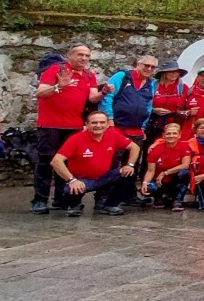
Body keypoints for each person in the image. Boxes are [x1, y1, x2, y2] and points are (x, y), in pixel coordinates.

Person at [32, 44, 106, 214]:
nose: (84, 58)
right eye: (80, 55)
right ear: (69, 56)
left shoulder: (89, 74)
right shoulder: (56, 70)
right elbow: (40, 92)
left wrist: (103, 92)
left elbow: (92, 98)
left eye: (87, 56)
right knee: (45, 162)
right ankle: (40, 200)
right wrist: (59, 86)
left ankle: (61, 198)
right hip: (50, 125)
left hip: (73, 126)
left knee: (67, 163)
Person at [50, 110, 140, 217]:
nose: (98, 125)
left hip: (105, 176)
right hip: (82, 180)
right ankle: (75, 205)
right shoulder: (76, 139)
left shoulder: (112, 133)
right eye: (94, 123)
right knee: (70, 189)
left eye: (102, 122)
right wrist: (71, 180)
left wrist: (129, 165)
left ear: (107, 124)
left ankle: (110, 205)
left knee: (129, 174)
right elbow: (56, 161)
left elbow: (135, 147)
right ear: (86, 124)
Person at [98, 54, 157, 151]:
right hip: (117, 127)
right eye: (146, 65)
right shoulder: (122, 76)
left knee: (132, 162)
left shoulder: (150, 84)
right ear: (138, 64)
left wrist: (143, 127)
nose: (149, 69)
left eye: (153, 67)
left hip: (136, 130)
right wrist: (109, 119)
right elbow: (107, 97)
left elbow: (148, 106)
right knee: (114, 159)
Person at [141, 122, 193, 211]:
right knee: (149, 188)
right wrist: (145, 183)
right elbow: (150, 170)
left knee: (185, 173)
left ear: (179, 135)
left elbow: (185, 165)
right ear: (163, 135)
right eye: (168, 133)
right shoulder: (155, 149)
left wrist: (165, 173)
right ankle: (159, 197)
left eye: (174, 133)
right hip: (159, 180)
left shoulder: (185, 146)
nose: (171, 136)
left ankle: (177, 200)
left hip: (175, 179)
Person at [146, 59, 189, 141]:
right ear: (164, 73)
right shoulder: (152, 86)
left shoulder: (183, 88)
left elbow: (187, 106)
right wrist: (153, 110)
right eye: (170, 72)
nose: (174, 74)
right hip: (153, 124)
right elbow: (143, 103)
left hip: (174, 126)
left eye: (176, 72)